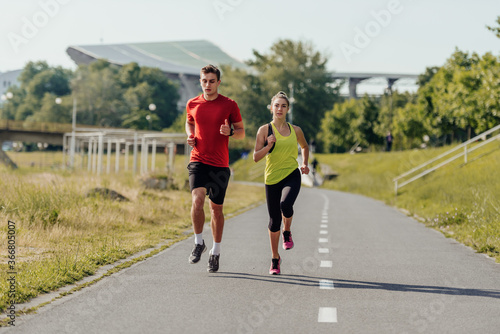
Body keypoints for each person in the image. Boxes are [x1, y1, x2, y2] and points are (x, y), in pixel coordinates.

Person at [185, 64, 245, 273]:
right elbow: (189, 122)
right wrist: (190, 135)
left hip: (219, 165)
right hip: (198, 160)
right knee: (197, 200)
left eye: (212, 81)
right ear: (200, 81)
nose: (208, 85)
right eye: (204, 81)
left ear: (218, 82)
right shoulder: (192, 103)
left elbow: (241, 132)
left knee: (216, 210)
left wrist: (229, 132)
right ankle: (199, 242)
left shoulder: (229, 104)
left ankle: (215, 252)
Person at [253, 91, 309, 275]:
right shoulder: (264, 130)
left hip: (292, 174)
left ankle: (287, 231)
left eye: (283, 106)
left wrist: (305, 164)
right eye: (276, 105)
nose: (279, 109)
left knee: (286, 204)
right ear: (271, 108)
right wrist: (268, 146)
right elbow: (255, 157)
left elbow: (304, 146)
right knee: (273, 221)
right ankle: (275, 259)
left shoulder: (296, 130)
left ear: (288, 109)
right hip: (272, 179)